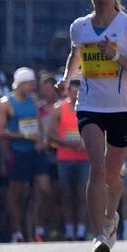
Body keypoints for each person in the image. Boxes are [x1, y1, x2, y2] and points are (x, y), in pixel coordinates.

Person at [60, 0, 127, 252]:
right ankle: (98, 235)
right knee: (97, 169)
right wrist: (66, 79)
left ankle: (111, 217)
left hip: (122, 109)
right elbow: (75, 56)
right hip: (89, 107)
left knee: (113, 176)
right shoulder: (80, 27)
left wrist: (115, 55)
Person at [0, 67, 48, 243]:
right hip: (17, 153)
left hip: (36, 152)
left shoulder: (33, 100)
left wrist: (41, 140)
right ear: (22, 84)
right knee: (16, 194)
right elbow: (1, 131)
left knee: (43, 188)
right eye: (31, 83)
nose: (34, 86)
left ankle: (38, 228)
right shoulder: (6, 103)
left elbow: (39, 123)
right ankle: (17, 232)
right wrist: (25, 136)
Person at [48, 78, 89, 239]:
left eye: (79, 91)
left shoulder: (88, 109)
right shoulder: (59, 108)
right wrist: (68, 143)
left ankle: (81, 229)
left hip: (84, 158)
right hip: (64, 158)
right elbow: (50, 136)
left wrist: (85, 142)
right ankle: (69, 229)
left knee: (81, 194)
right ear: (68, 91)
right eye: (73, 90)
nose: (76, 93)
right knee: (66, 195)